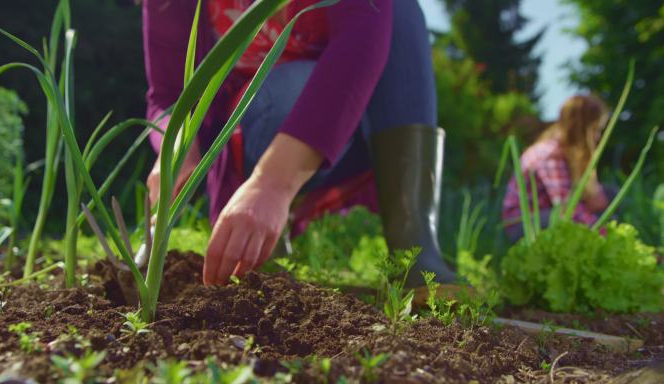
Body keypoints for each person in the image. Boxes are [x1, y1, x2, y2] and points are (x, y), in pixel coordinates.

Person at [143, 0, 458, 286]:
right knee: (283, 92)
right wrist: (179, 147)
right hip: (250, 133)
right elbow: (169, 96)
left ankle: (414, 245)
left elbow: (361, 42)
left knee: (397, 10)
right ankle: (262, 246)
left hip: (352, 125)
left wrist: (273, 182)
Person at [502, 94, 611, 241]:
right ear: (580, 129)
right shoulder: (549, 154)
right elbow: (567, 208)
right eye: (595, 129)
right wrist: (604, 234)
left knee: (611, 196)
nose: (598, 136)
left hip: (546, 212)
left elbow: (597, 201)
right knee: (567, 219)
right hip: (522, 223)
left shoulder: (566, 154)